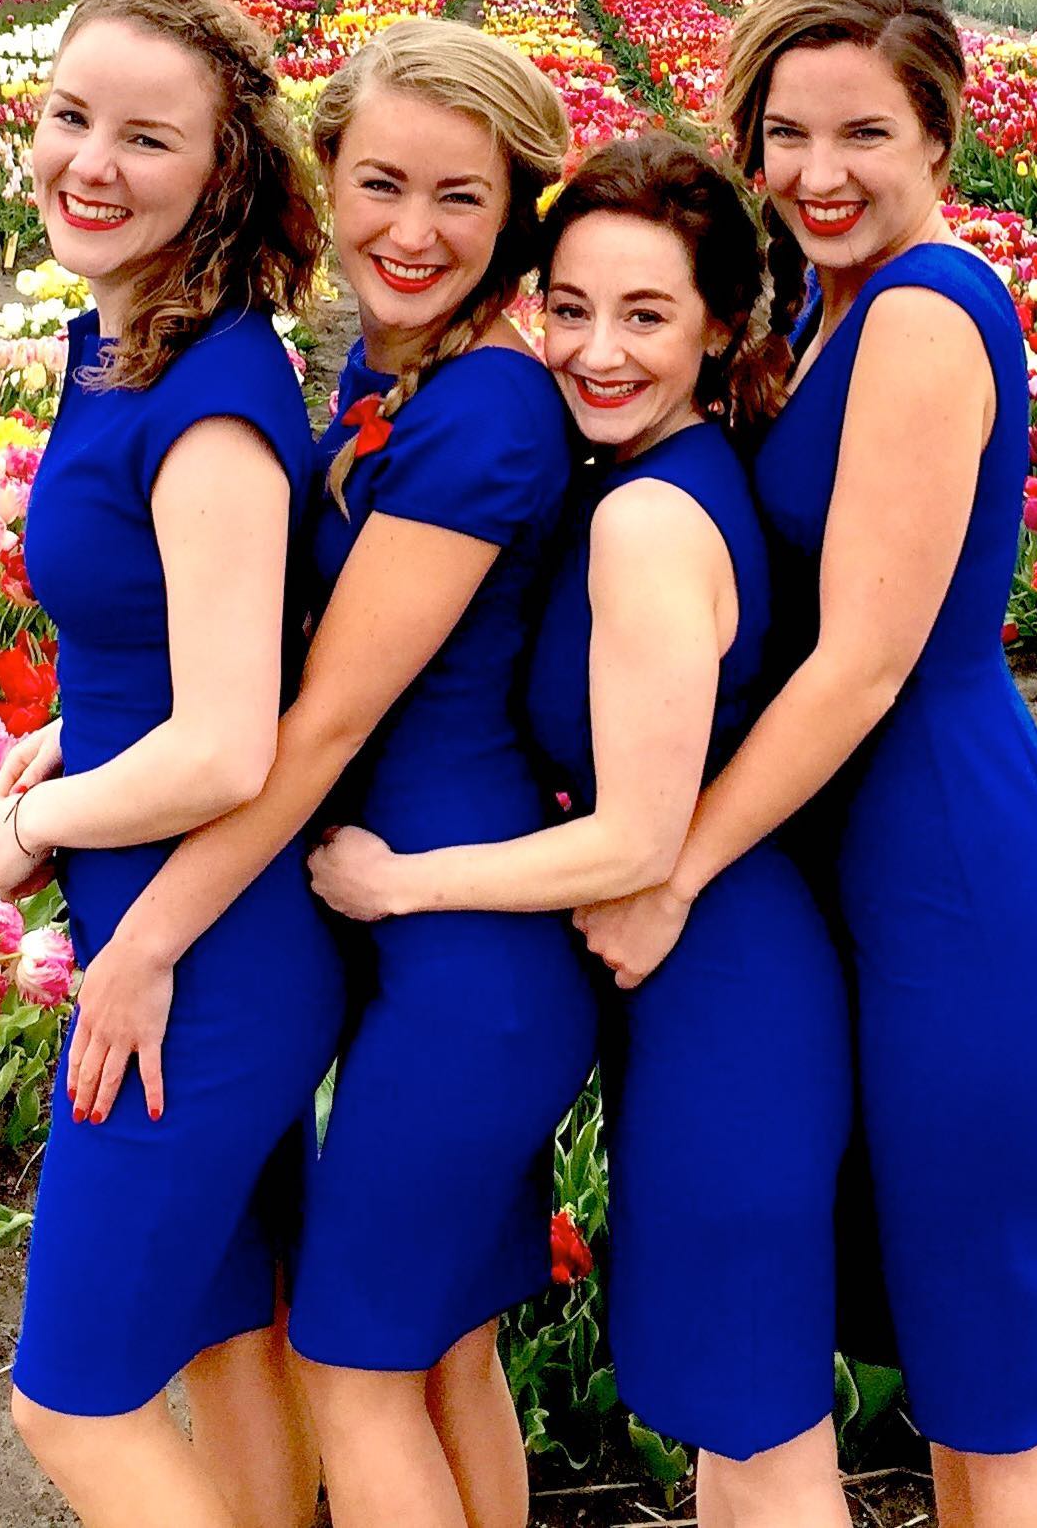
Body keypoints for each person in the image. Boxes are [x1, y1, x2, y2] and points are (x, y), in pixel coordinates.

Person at [577, 0, 1037, 1528]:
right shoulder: (824, 306)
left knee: (1002, 1387)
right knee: (949, 1368)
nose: (819, 173)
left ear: (940, 134)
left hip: (955, 883)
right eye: (787, 134)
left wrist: (672, 868)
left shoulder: (930, 314)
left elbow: (865, 669)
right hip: (869, 872)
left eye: (864, 134)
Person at [59, 18, 599, 1528]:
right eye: (380, 184)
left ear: (520, 211)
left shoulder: (484, 412)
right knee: (443, 1356)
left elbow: (321, 727)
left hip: (457, 958)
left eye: (460, 198)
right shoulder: (401, 365)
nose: (410, 233)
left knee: (353, 1371)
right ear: (325, 174)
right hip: (424, 936)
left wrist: (148, 936)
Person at [313, 131, 853, 1528]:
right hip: (692, 983)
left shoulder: (645, 524)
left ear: (720, 328)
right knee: (734, 1421)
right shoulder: (652, 470)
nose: (596, 352)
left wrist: (400, 880)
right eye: (569, 307)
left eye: (646, 316)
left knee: (762, 1429)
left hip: (722, 998)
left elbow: (634, 846)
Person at [0, 0, 347, 1528]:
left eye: (147, 137)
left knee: (66, 1405)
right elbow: (186, 640)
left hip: (204, 955)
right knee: (231, 1339)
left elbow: (225, 741)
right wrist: (72, 725)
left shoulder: (210, 402)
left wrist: (35, 823)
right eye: (73, 117)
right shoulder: (127, 344)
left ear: (224, 171)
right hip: (181, 931)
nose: (91, 161)